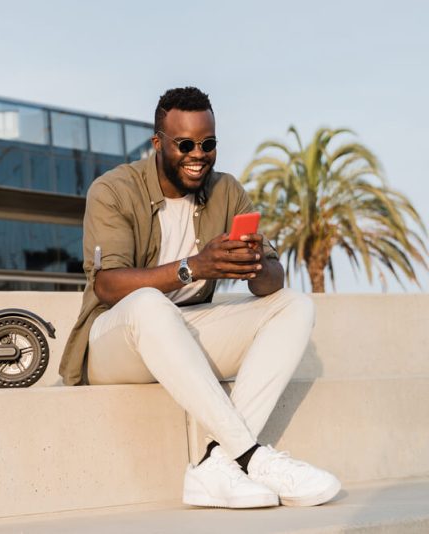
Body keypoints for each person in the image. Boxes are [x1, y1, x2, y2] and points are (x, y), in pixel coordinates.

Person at [59, 87, 340, 509]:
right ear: (158, 143)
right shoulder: (114, 189)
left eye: (208, 144)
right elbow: (107, 285)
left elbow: (272, 282)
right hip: (114, 343)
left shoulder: (226, 191)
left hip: (182, 336)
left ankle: (215, 463)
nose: (198, 154)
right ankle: (250, 455)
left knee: (295, 306)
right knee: (149, 303)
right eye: (185, 144)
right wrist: (195, 266)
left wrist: (255, 265)